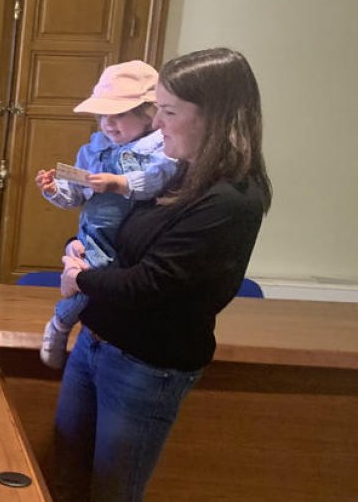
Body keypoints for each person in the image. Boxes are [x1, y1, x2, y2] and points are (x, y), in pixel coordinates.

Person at [52, 48, 272, 502]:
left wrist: (81, 278)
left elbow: (152, 284)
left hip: (145, 364)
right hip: (97, 341)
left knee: (112, 493)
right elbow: (121, 244)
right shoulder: (176, 173)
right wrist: (83, 250)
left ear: (215, 117)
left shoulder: (230, 199)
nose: (156, 124)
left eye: (168, 112)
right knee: (63, 480)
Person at [34, 60, 177, 369]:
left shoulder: (159, 149)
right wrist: (53, 190)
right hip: (97, 231)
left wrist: (120, 183)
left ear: (148, 113)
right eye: (103, 116)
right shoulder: (93, 150)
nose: (110, 124)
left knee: (92, 277)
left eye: (121, 114)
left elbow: (158, 180)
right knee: (89, 271)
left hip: (133, 238)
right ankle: (62, 321)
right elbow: (76, 194)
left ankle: (61, 320)